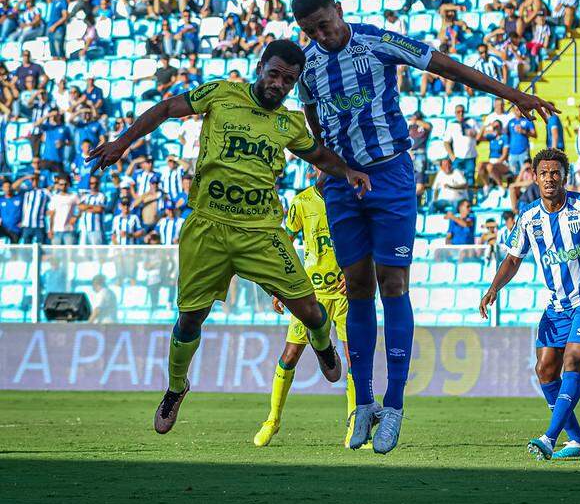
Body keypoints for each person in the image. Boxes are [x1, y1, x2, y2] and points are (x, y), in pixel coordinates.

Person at [291, 0, 556, 454]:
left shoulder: (377, 42)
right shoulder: (307, 67)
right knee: (354, 287)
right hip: (341, 183)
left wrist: (512, 94)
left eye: (324, 24)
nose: (320, 35)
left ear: (339, 9)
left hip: (390, 176)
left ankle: (393, 404)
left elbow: (447, 66)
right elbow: (314, 123)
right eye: (310, 31)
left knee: (393, 284)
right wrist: (334, 168)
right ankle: (364, 404)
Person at [87, 39, 371, 436]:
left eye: (288, 80)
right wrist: (122, 142)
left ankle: (323, 345)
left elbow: (319, 156)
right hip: (208, 226)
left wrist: (348, 172)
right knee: (190, 319)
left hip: (261, 232)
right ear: (260, 67)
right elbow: (169, 108)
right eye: (274, 74)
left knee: (310, 312)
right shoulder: (222, 93)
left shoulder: (289, 123)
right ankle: (175, 388)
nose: (279, 84)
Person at [480, 148, 580, 460]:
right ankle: (579, 442)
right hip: (558, 304)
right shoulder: (528, 218)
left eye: (556, 172)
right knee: (545, 369)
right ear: (535, 177)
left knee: (574, 357)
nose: (550, 178)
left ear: (564, 176)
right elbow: (513, 259)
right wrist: (492, 288)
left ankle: (549, 437)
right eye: (544, 173)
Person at [254, 172, 359, 449]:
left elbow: (365, 240)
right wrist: (280, 286)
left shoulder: (351, 199)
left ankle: (354, 426)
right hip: (310, 295)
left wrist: (355, 272)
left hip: (344, 296)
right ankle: (272, 420)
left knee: (354, 358)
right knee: (290, 355)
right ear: (316, 169)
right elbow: (284, 243)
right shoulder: (302, 202)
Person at [47, 173, 79, 245]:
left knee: (69, 254)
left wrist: (75, 217)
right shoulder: (54, 197)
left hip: (69, 229)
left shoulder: (73, 196)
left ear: (68, 185)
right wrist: (50, 230)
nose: (63, 186)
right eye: (61, 184)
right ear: (58, 185)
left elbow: (80, 208)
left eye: (65, 184)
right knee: (56, 254)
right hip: (56, 230)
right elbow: (52, 215)